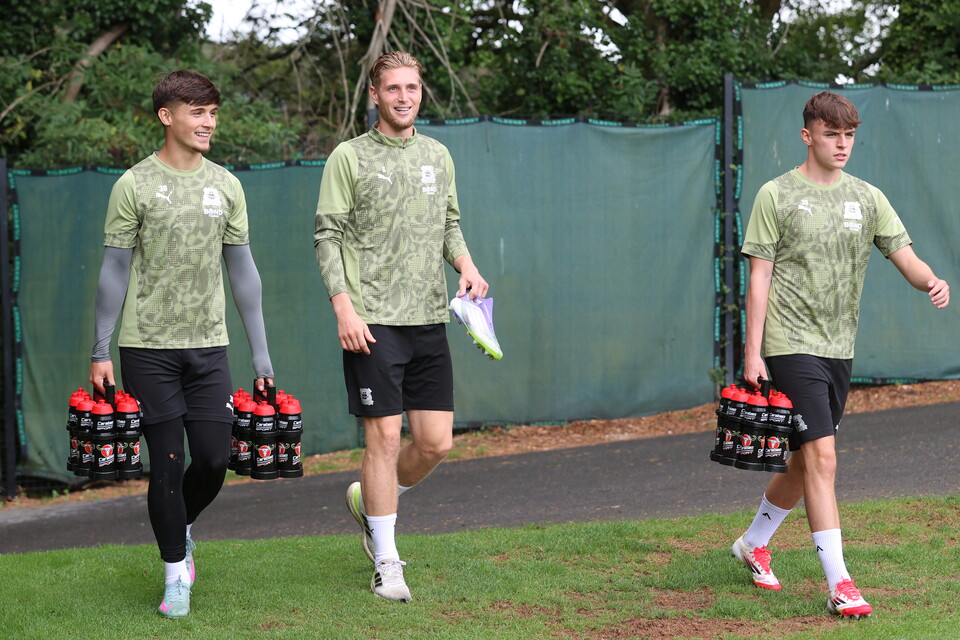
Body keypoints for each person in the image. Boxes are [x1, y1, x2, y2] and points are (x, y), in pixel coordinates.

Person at [732, 91, 949, 618]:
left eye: (849, 134)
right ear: (808, 136)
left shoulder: (867, 197)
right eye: (832, 134)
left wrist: (931, 282)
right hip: (789, 344)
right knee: (825, 457)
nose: (842, 143)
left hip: (838, 349)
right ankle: (841, 584)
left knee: (807, 460)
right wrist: (752, 352)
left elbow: (907, 256)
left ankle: (752, 543)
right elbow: (758, 277)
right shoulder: (776, 195)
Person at [88, 70, 274, 619]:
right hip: (146, 349)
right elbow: (112, 273)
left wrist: (260, 354)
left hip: (208, 348)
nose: (208, 122)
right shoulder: (133, 185)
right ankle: (175, 575)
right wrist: (101, 349)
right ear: (167, 116)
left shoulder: (227, 185)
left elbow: (244, 274)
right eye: (197, 111)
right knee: (166, 466)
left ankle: (181, 526)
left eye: (213, 111)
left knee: (215, 459)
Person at [313, 51, 489, 602]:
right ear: (374, 95)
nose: (404, 96)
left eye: (412, 87)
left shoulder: (439, 154)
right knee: (384, 438)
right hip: (372, 321)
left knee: (435, 444)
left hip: (429, 318)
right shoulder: (349, 157)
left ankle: (371, 500)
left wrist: (467, 265)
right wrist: (343, 305)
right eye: (393, 88)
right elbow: (327, 235)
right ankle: (387, 560)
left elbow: (449, 227)